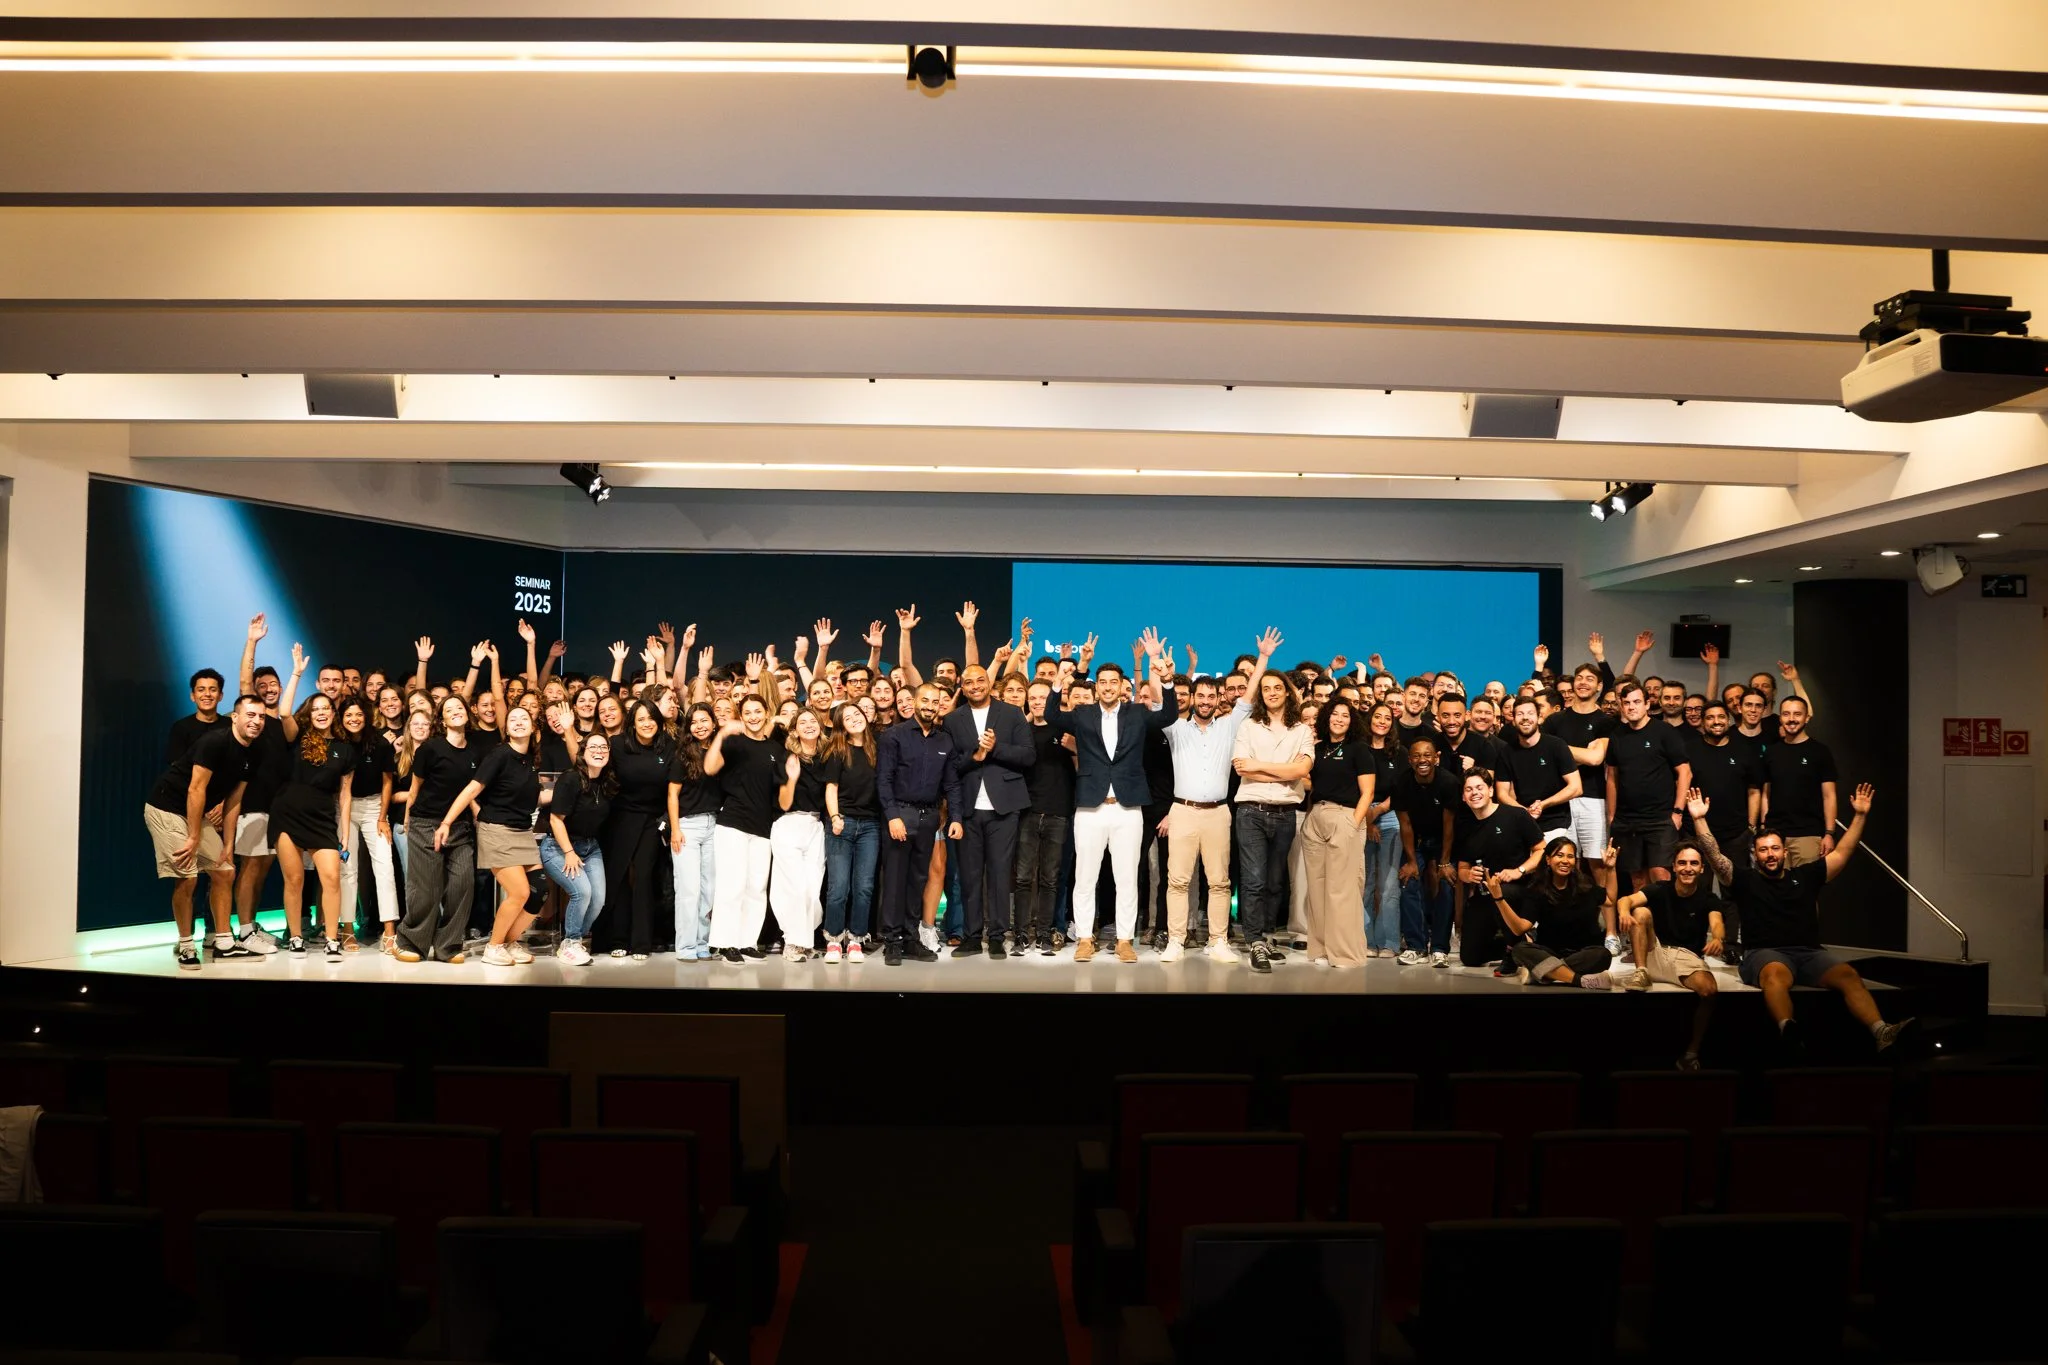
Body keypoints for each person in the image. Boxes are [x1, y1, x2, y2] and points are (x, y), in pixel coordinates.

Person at [1688, 784, 1913, 1055]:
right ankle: (1788, 1030)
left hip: (1808, 953)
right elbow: (1714, 856)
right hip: (1764, 954)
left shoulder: (1806, 876)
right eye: (1763, 850)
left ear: (1784, 851)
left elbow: (1842, 853)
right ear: (1755, 854)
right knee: (1776, 974)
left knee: (1848, 974)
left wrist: (1860, 816)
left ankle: (1881, 1031)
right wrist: (1699, 819)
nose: (1770, 854)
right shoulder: (1745, 880)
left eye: (1775, 848)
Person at [1047, 629, 1176, 963]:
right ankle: (1086, 938)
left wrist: (1167, 678)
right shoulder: (1082, 714)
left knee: (1126, 878)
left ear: (1122, 686)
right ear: (1096, 686)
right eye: (1101, 681)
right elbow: (1051, 715)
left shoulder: (1136, 713)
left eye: (1112, 681)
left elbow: (1168, 716)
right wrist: (1061, 680)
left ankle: (1124, 939)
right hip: (1090, 807)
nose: (1106, 686)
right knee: (1085, 877)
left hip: (1128, 807)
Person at [1161, 629, 1278, 963]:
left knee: (1220, 882)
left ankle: (1218, 940)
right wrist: (1163, 670)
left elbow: (1250, 694)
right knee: (1178, 881)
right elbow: (1164, 703)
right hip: (1182, 811)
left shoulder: (1230, 725)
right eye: (1201, 696)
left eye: (1212, 696)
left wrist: (1264, 658)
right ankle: (1176, 940)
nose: (1206, 701)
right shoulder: (1175, 728)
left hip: (1217, 812)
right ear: (1193, 698)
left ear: (1218, 699)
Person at [142, 694, 264, 968]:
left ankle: (223, 942)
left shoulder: (253, 751)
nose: (256, 721)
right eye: (250, 715)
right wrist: (194, 836)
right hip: (167, 807)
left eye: (261, 717)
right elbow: (195, 790)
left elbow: (234, 800)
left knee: (225, 871)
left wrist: (229, 843)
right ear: (235, 717)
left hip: (192, 812)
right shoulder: (215, 742)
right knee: (188, 877)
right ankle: (186, 946)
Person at [438, 701, 546, 966]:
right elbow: (472, 789)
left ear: (533, 728)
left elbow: (533, 797)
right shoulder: (500, 755)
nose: (519, 722)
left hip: (522, 831)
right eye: (513, 719)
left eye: (524, 718)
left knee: (539, 890)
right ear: (507, 729)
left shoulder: (530, 760)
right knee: (520, 892)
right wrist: (447, 822)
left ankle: (509, 942)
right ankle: (493, 946)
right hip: (496, 829)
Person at [940, 663, 1037, 957]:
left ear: (988, 682)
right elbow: (952, 766)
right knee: (969, 876)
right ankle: (971, 936)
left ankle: (996, 936)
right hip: (968, 809)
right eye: (968, 682)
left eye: (980, 680)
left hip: (1004, 807)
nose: (975, 686)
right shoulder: (953, 719)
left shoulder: (1010, 712)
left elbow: (1028, 755)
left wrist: (995, 749)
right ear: (962, 686)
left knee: (998, 873)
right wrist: (976, 756)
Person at [1230, 669, 1313, 972]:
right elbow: (1243, 770)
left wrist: (1261, 766)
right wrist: (1285, 770)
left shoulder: (1301, 730)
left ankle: (1266, 935)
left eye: (1278, 688)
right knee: (1253, 880)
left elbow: (1300, 772)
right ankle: (1255, 943)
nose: (1272, 693)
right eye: (1266, 689)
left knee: (1276, 883)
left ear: (1288, 692)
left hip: (1285, 814)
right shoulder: (1248, 726)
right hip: (1251, 811)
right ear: (1261, 695)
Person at [1615, 842, 1725, 1069]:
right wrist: (1624, 912)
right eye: (1682, 863)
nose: (1688, 868)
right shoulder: (1660, 889)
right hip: (1655, 953)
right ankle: (1640, 972)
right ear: (1674, 867)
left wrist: (1717, 938)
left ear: (1702, 868)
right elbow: (1626, 900)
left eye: (1694, 863)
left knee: (1710, 991)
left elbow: (1717, 922)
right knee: (1641, 911)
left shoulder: (1708, 898)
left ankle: (1690, 1053)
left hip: (1686, 958)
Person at [397, 693, 483, 965]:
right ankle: (411, 941)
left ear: (467, 714)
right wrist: (409, 820)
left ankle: (448, 944)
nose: (456, 711)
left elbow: (471, 794)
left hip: (459, 828)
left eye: (460, 707)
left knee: (463, 883)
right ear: (442, 719)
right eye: (449, 709)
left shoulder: (474, 752)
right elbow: (415, 789)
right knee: (426, 889)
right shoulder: (430, 749)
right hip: (425, 824)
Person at [270, 693, 355, 958]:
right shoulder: (297, 738)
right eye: (315, 708)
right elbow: (285, 713)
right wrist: (296, 673)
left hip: (322, 820)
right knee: (294, 880)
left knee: (331, 878)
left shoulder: (345, 748)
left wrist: (346, 834)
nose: (321, 712)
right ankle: (296, 937)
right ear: (309, 713)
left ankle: (332, 939)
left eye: (326, 708)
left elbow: (345, 794)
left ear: (333, 712)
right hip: (287, 814)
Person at [875, 682, 954, 965]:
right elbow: (883, 780)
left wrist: (953, 817)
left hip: (929, 817)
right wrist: (893, 816)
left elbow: (950, 784)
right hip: (900, 815)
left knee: (918, 880)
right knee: (895, 880)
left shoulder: (944, 740)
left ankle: (910, 938)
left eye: (935, 702)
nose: (930, 706)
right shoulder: (893, 736)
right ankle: (892, 941)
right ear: (914, 702)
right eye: (925, 700)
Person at [1297, 697, 1374, 969]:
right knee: (1317, 888)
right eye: (1335, 714)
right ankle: (1320, 948)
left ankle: (1346, 954)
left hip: (1345, 817)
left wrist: (1353, 824)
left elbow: (1368, 793)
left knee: (1342, 890)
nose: (1339, 719)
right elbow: (1309, 782)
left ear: (1352, 721)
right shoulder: (1318, 749)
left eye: (1345, 715)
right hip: (1315, 817)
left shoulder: (1359, 749)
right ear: (1326, 717)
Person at [705, 693, 782, 965]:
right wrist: (722, 734)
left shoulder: (774, 748)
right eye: (747, 712)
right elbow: (710, 767)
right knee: (731, 886)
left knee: (756, 886)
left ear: (765, 712)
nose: (753, 717)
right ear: (741, 715)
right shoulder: (734, 743)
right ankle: (725, 943)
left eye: (757, 711)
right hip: (734, 823)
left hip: (762, 826)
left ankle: (747, 941)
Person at [1485, 837, 1617, 988]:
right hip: (1550, 952)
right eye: (1559, 855)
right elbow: (1520, 928)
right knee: (1520, 950)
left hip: (1583, 953)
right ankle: (1580, 980)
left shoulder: (1585, 886)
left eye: (1570, 856)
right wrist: (1499, 898)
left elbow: (1611, 900)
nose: (1565, 861)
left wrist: (1611, 869)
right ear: (1548, 860)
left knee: (1603, 955)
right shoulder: (1537, 890)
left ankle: (1544, 972)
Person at [1605, 681, 1693, 893]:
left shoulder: (1664, 732)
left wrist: (1678, 812)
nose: (1631, 707)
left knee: (1661, 877)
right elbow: (1612, 777)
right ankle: (1641, 926)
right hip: (1627, 821)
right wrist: (1611, 816)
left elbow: (1685, 772)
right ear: (1621, 706)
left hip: (1660, 819)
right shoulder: (1617, 735)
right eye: (1626, 703)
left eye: (1636, 702)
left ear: (1647, 704)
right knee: (1637, 880)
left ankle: (1663, 926)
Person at [1451, 768, 1543, 967]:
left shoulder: (1515, 815)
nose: (1474, 793)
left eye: (1479, 787)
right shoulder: (1465, 827)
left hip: (1517, 889)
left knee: (1500, 893)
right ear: (1464, 797)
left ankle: (1514, 948)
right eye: (1469, 789)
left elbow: (1541, 850)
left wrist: (1519, 871)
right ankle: (1524, 943)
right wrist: (1469, 875)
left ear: (1491, 791)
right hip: (1485, 893)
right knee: (1470, 958)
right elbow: (1462, 869)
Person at [334, 696, 400, 953]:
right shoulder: (338, 744)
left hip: (374, 807)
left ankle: (389, 932)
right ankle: (348, 930)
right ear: (341, 717)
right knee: (347, 868)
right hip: (344, 809)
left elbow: (387, 782)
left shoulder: (380, 743)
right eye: (348, 715)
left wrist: (382, 817)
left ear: (367, 716)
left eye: (358, 715)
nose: (353, 719)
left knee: (384, 866)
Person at [1016, 678, 1076, 956]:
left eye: (1043, 697)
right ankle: (1020, 934)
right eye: (1034, 698)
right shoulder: (1021, 732)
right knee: (1023, 878)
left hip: (1058, 813)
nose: (1038, 702)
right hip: (1027, 813)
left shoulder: (1064, 730)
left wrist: (1074, 749)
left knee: (1051, 878)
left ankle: (1043, 933)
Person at [543, 731, 612, 966]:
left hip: (590, 846)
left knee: (599, 899)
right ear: (582, 752)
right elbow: (555, 819)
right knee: (581, 892)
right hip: (558, 847)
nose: (599, 751)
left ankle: (574, 939)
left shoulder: (607, 782)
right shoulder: (570, 778)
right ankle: (571, 942)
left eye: (604, 748)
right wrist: (569, 853)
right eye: (593, 747)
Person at [1391, 737, 1460, 966]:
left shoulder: (1449, 782)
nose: (1423, 760)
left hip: (1443, 841)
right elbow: (1405, 825)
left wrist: (1445, 862)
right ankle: (1415, 946)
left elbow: (1449, 825)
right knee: (1408, 881)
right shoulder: (1401, 783)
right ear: (1410, 760)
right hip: (1417, 840)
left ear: (1436, 758)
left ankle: (1440, 948)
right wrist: (1411, 861)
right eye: (1417, 756)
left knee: (1446, 884)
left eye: (1427, 755)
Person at [821, 701, 881, 962]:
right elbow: (831, 787)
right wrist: (834, 816)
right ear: (841, 726)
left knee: (864, 886)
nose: (855, 719)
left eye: (857, 713)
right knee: (838, 888)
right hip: (842, 823)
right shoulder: (837, 750)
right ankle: (834, 940)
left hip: (870, 825)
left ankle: (856, 939)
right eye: (848, 718)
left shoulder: (876, 748)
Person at [769, 708, 830, 962]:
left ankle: (804, 940)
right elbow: (783, 803)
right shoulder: (788, 757)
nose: (808, 725)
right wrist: (792, 779)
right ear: (794, 730)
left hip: (816, 827)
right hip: (789, 823)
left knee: (811, 889)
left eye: (812, 721)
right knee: (793, 888)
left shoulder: (827, 757)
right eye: (802, 722)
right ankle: (792, 942)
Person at [666, 704, 720, 962]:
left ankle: (703, 943)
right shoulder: (683, 755)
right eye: (694, 722)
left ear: (713, 722)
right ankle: (686, 946)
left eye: (705, 720)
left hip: (715, 826)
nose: (700, 726)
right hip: (687, 826)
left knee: (710, 890)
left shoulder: (721, 753)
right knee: (689, 889)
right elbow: (672, 794)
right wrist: (675, 828)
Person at [1759, 697, 1837, 867]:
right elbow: (1766, 793)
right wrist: (1764, 828)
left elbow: (1829, 796)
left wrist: (1829, 833)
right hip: (1775, 835)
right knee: (1774, 889)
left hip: (1808, 834)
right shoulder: (1771, 752)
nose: (1791, 719)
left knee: (1805, 889)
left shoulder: (1820, 752)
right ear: (1780, 718)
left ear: (1807, 717)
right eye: (1786, 714)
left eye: (1797, 714)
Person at [1495, 695, 1579, 837]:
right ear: (1514, 721)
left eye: (1530, 713)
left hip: (1557, 824)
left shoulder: (1556, 745)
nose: (1525, 718)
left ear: (1539, 718)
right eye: (1520, 714)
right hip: (1524, 821)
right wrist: (1524, 811)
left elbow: (1576, 787)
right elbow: (1502, 794)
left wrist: (1543, 805)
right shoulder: (1506, 752)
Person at [1360, 701, 1404, 958]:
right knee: (1365, 884)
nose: (1383, 721)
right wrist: (1367, 820)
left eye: (1388, 718)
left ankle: (1388, 942)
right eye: (1378, 716)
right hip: (1359, 816)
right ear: (1370, 719)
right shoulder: (1359, 749)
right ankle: (1365, 940)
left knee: (1388, 885)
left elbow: (1400, 791)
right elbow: (1356, 789)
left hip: (1390, 818)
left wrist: (1376, 814)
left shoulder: (1399, 753)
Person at [166, 667, 227, 763]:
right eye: (201, 690)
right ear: (193, 696)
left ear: (220, 696)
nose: (207, 694)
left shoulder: (230, 726)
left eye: (213, 690)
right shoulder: (181, 727)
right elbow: (176, 765)